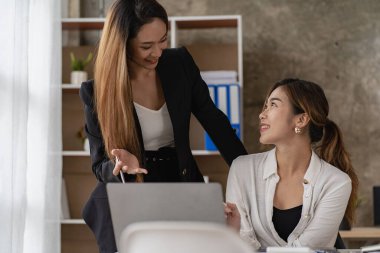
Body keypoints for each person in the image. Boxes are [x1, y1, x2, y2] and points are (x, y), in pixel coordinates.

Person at [79, 0, 247, 252]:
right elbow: (98, 165)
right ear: (122, 44)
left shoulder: (179, 63)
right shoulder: (96, 91)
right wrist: (120, 165)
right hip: (133, 184)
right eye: (146, 46)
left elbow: (215, 122)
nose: (157, 52)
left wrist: (250, 174)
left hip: (180, 176)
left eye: (163, 40)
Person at [225, 78, 358, 250]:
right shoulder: (241, 169)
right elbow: (239, 243)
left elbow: (309, 249)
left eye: (273, 105)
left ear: (301, 120)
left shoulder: (336, 182)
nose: (262, 114)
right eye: (265, 106)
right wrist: (233, 232)